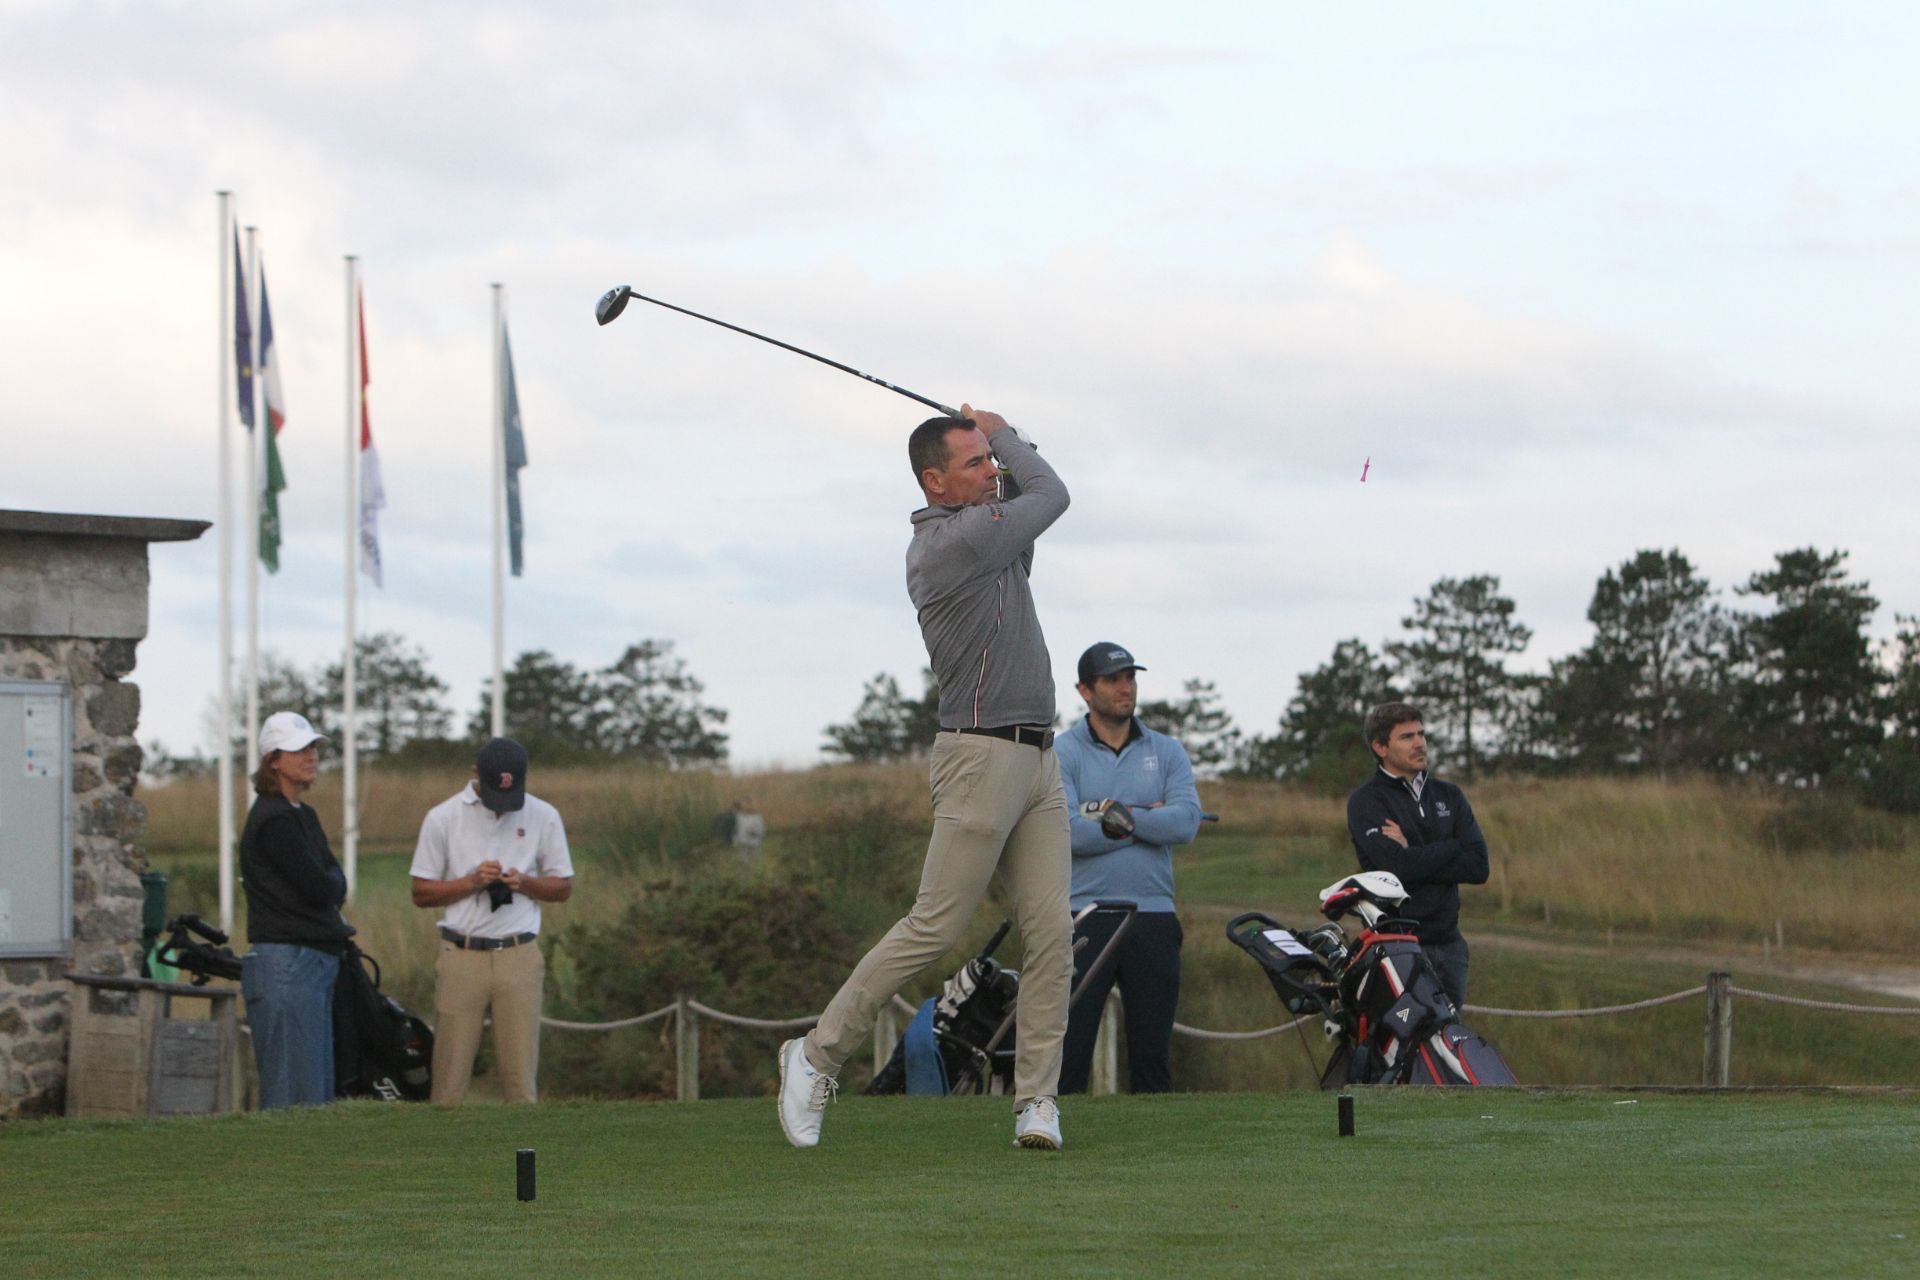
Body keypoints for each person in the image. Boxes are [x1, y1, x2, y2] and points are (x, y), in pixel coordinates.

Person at [778, 404, 1073, 1151]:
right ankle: (815, 1056)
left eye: (990, 461)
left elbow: (1027, 494)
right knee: (934, 925)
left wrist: (1001, 447)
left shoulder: (989, 532)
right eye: (975, 463)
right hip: (980, 756)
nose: (992, 471)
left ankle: (1037, 1100)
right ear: (935, 482)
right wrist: (1003, 432)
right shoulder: (955, 542)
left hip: (1039, 758)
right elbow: (1053, 493)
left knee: (1051, 934)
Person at [1054, 643, 1202, 1094]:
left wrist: (1118, 816)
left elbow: (1186, 822)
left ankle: (1153, 1141)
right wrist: (1147, 818)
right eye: (1112, 680)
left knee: (1152, 1060)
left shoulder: (1167, 750)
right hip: (1085, 915)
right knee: (1069, 1056)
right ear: (1085, 690)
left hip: (1153, 916)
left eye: (1130, 678)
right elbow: (1066, 832)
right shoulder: (1062, 753)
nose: (1126, 688)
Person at [409, 737, 574, 1104]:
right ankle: (445, 1139)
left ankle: (521, 1142)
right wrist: (471, 882)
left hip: (518, 954)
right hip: (462, 954)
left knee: (520, 1083)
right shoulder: (442, 817)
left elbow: (562, 887)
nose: (503, 805)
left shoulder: (544, 815)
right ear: (476, 774)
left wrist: (525, 883)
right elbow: (420, 892)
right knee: (448, 1083)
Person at [239, 710, 354, 1109]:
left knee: (314, 1088)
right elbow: (320, 886)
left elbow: (333, 881)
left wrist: (331, 885)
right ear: (273, 760)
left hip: (310, 959)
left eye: (312, 748)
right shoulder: (274, 820)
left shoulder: (301, 815)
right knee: (293, 1092)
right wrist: (331, 885)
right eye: (298, 750)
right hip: (288, 961)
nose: (310, 756)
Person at [1345, 701, 1489, 1008]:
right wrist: (1452, 845)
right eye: (1407, 737)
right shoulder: (1367, 801)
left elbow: (1478, 867)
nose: (1420, 743)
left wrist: (1412, 850)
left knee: (1448, 1035)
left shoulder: (1449, 795)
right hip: (1397, 944)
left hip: (1450, 944)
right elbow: (1397, 867)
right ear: (1381, 747)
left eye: (1421, 734)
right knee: (1400, 1034)